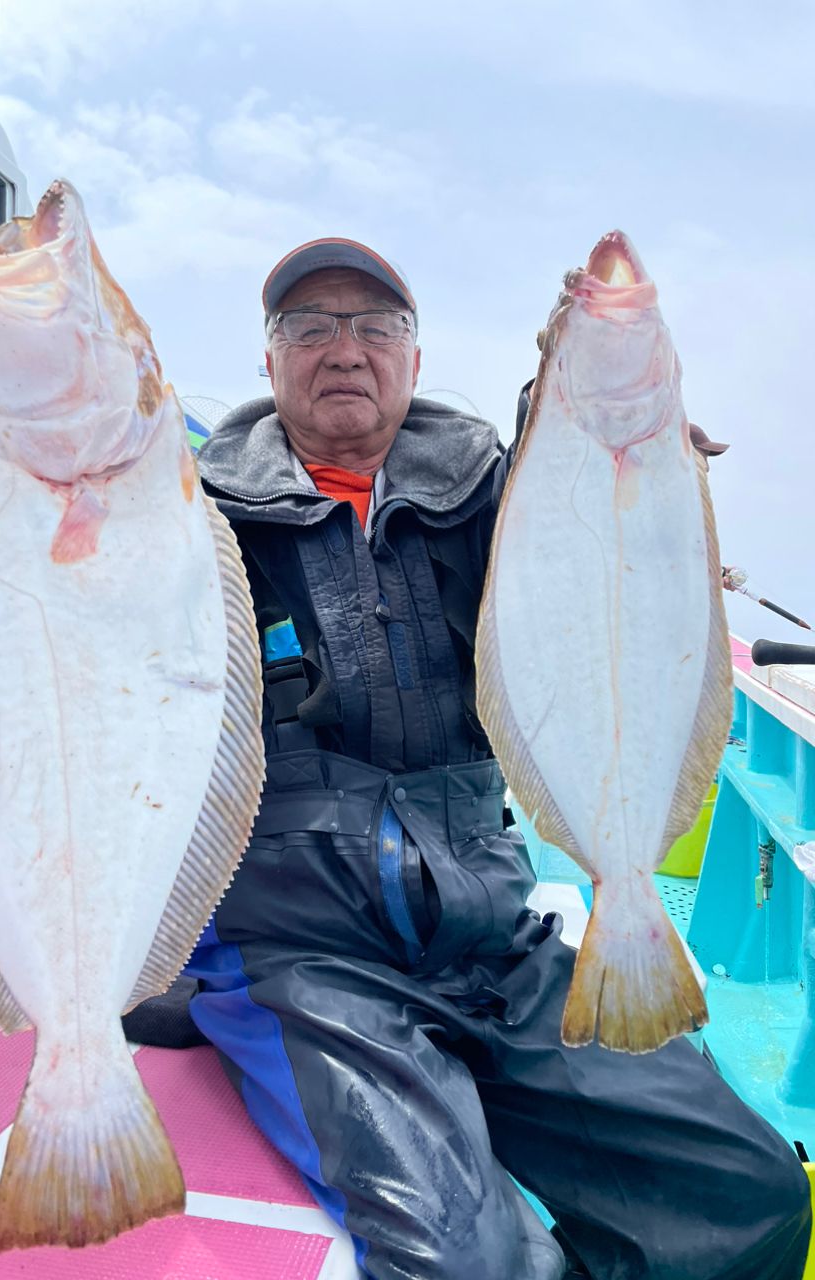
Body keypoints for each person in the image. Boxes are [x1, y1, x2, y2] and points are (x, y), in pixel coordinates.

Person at [175, 238, 812, 1279]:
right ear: (269, 358)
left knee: (750, 1193)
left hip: (490, 938)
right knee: (463, 1258)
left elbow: (566, 508)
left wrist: (628, 453)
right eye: (311, 325)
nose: (345, 348)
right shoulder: (189, 517)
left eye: (375, 325)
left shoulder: (486, 495)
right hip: (304, 958)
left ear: (414, 362)